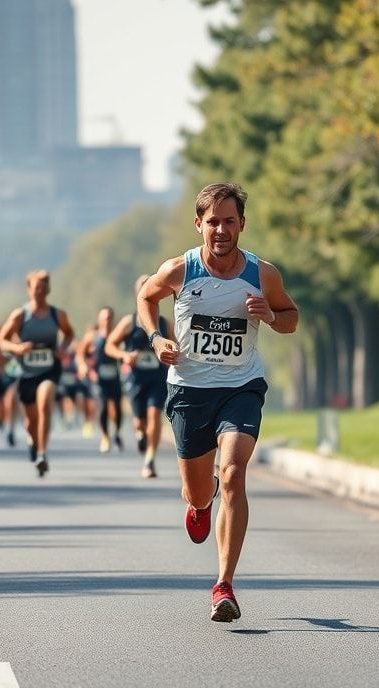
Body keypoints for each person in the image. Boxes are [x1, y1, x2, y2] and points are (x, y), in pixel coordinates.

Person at [138, 182, 298, 622]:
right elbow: (145, 299)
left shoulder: (263, 274)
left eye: (230, 222)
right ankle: (198, 502)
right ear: (199, 225)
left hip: (241, 386)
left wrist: (270, 315)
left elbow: (291, 318)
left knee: (233, 473)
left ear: (242, 224)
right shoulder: (179, 270)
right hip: (189, 390)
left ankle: (223, 584)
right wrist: (156, 339)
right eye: (213, 222)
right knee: (200, 489)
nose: (222, 230)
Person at [0, 270, 75, 477]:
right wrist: (17, 349)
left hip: (50, 369)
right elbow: (1, 340)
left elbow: (69, 333)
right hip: (26, 372)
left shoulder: (57, 315)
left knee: (45, 402)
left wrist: (63, 348)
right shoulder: (20, 315)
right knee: (31, 421)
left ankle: (42, 454)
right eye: (35, 287)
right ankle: (33, 442)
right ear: (29, 289)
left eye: (43, 287)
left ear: (48, 289)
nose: (39, 291)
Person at [106, 275, 171, 479]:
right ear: (137, 295)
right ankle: (140, 432)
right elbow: (110, 345)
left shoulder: (164, 323)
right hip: (135, 379)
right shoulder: (129, 321)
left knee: (154, 415)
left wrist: (170, 351)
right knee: (139, 422)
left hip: (157, 377)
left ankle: (149, 460)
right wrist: (125, 355)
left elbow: (175, 344)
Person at [84, 307, 124, 453]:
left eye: (109, 318)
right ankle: (105, 436)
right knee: (103, 408)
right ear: (99, 320)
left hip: (115, 377)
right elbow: (81, 354)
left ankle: (117, 433)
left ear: (112, 319)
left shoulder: (117, 335)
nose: (106, 321)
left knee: (118, 409)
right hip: (99, 379)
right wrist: (86, 368)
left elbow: (123, 351)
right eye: (104, 318)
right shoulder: (92, 337)